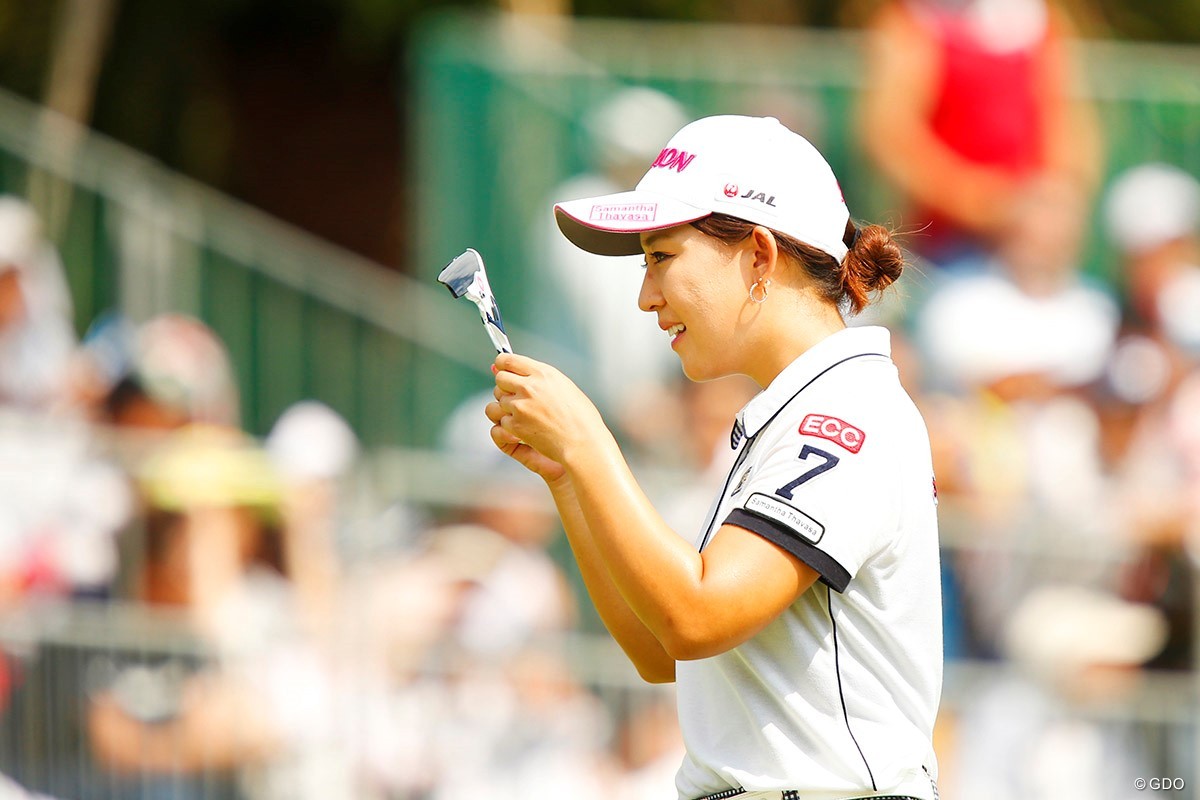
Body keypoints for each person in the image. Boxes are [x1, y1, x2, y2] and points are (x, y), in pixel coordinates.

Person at [487, 115, 942, 800]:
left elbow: (696, 615)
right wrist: (568, 475)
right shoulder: (795, 413)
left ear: (759, 254)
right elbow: (658, 648)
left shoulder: (842, 413)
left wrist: (588, 443)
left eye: (661, 257)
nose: (646, 296)